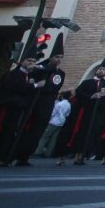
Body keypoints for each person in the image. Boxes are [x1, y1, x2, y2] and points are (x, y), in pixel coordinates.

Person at [0, 41, 41, 166]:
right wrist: (34, 85)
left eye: (33, 62)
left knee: (7, 135)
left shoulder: (27, 76)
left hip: (15, 111)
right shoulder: (13, 74)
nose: (31, 64)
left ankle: (0, 158)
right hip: (2, 110)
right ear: (22, 61)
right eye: (29, 61)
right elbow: (16, 87)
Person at [17, 33, 67, 165]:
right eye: (57, 57)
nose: (59, 59)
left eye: (61, 57)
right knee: (26, 128)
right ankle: (16, 154)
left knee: (38, 130)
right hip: (35, 102)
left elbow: (56, 87)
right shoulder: (40, 68)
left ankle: (26, 156)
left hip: (47, 103)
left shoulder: (60, 73)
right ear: (51, 57)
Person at [58, 51, 105, 165]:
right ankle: (64, 156)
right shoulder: (87, 82)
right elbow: (79, 93)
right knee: (77, 132)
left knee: (91, 134)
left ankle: (81, 155)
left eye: (104, 70)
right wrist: (92, 96)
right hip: (84, 112)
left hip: (97, 114)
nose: (101, 71)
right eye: (100, 69)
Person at [37, 90, 73, 159]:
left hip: (53, 121)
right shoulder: (69, 104)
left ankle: (39, 151)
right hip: (61, 122)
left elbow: (53, 113)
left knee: (45, 136)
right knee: (54, 138)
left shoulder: (59, 104)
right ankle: (48, 152)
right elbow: (68, 114)